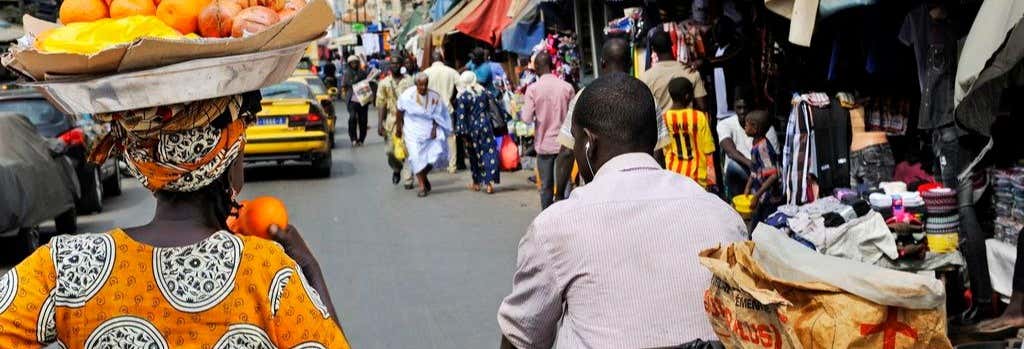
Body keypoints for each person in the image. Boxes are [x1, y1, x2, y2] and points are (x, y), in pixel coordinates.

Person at [0, 92, 350, 348]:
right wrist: (310, 269)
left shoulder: (64, 265)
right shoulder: (268, 271)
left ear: (140, 161)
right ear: (231, 158)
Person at [497, 74, 747, 348]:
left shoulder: (555, 227)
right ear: (653, 139)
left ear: (588, 143)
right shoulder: (723, 215)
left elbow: (521, 336)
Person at [520, 52, 575, 209]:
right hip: (565, 145)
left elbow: (527, 118)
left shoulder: (533, 90)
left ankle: (547, 218)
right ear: (551, 65)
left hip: (544, 145)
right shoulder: (567, 87)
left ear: (536, 67)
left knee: (546, 187)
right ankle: (567, 218)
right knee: (565, 184)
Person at [396, 73, 451, 197]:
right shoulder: (407, 96)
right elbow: (399, 110)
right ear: (416, 85)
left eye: (425, 84)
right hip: (412, 130)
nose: (423, 87)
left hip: (429, 129)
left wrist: (434, 128)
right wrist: (398, 128)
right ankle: (421, 185)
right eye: (420, 85)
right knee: (416, 158)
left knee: (435, 155)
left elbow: (439, 115)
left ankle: (424, 175)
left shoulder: (434, 96)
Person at [717, 89, 778, 200]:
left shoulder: (765, 138)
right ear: (733, 107)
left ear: (756, 128)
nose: (742, 112)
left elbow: (772, 172)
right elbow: (730, 151)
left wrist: (757, 195)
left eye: (745, 107)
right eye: (739, 107)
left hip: (763, 178)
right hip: (746, 170)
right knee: (733, 166)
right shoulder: (725, 124)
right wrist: (750, 164)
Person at [656, 77, 716, 189]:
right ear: (687, 96)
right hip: (698, 179)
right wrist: (711, 180)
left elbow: (659, 152)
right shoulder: (699, 117)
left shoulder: (664, 119)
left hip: (674, 177)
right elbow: (708, 150)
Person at [640, 30, 709, 114]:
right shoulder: (690, 71)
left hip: (661, 126)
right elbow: (703, 107)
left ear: (653, 49)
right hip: (687, 125)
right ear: (672, 44)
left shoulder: (646, 78)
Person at [454, 71, 500, 194]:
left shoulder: (462, 97)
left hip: (472, 129)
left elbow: (461, 117)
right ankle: (489, 184)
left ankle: (476, 182)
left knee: (474, 155)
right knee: (488, 153)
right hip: (486, 126)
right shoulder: (483, 92)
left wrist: (462, 134)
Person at [377, 54, 416, 186]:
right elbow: (381, 103)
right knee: (390, 151)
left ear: (402, 65)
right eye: (392, 64)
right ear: (390, 66)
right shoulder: (384, 83)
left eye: (397, 63)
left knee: (407, 149)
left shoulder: (409, 81)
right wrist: (380, 124)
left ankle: (408, 179)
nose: (395, 66)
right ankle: (396, 168)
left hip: (407, 120)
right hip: (391, 120)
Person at [423, 50, 464, 174]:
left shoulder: (425, 73)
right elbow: (462, 89)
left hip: (431, 109)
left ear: (432, 61)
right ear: (442, 59)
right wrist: (454, 100)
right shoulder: (451, 72)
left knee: (429, 136)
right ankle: (452, 166)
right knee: (451, 137)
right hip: (447, 108)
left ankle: (429, 164)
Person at [743, 110, 783, 232]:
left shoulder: (763, 148)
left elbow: (773, 175)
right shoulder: (755, 143)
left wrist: (757, 195)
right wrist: (748, 187)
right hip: (761, 194)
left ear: (755, 128)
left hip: (768, 197)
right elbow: (755, 170)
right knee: (757, 221)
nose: (744, 127)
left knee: (765, 224)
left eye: (746, 124)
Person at [342, 55, 370, 146]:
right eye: (352, 63)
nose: (354, 64)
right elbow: (346, 84)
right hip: (352, 100)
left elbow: (368, 81)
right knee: (352, 118)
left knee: (363, 120)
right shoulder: (347, 73)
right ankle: (353, 138)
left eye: (355, 62)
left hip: (363, 99)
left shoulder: (362, 72)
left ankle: (361, 139)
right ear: (349, 64)